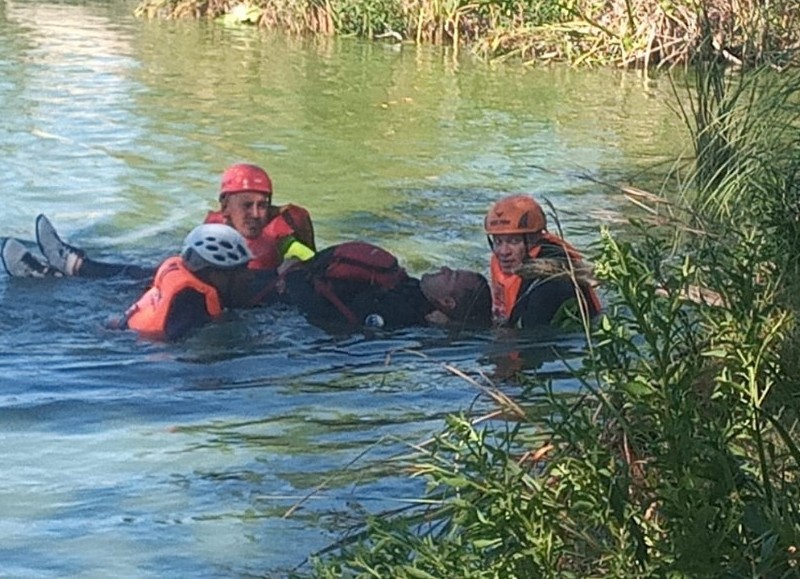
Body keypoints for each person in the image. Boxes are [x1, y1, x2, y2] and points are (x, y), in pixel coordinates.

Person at [0, 163, 315, 278]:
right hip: (215, 288)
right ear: (225, 205)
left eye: (264, 205)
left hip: (248, 298)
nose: (258, 214)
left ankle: (70, 264)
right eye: (247, 205)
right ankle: (61, 267)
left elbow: (308, 258)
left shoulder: (280, 234)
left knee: (143, 276)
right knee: (152, 272)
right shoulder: (211, 232)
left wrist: (292, 264)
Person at [110, 223, 274, 341]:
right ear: (215, 275)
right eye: (241, 270)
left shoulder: (183, 280)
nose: (249, 276)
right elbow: (180, 350)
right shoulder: (191, 307)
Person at [279, 241, 492, 331]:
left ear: (447, 301)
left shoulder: (398, 313)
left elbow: (324, 316)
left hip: (283, 305)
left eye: (451, 276)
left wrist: (292, 276)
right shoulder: (413, 290)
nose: (445, 268)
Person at [484, 194, 601, 328]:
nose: (503, 252)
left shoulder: (549, 287)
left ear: (534, 239)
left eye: (514, 241)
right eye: (498, 241)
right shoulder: (514, 260)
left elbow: (526, 339)